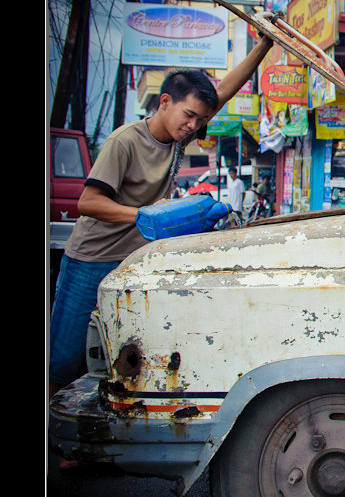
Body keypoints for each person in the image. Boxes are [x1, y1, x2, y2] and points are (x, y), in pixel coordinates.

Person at [49, 34, 273, 402]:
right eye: (189, 116)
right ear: (165, 102)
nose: (193, 126)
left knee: (117, 358)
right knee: (62, 362)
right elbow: (87, 202)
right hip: (89, 260)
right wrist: (145, 215)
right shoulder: (125, 141)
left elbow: (224, 92)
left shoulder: (179, 138)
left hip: (132, 264)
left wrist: (264, 44)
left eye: (200, 120)